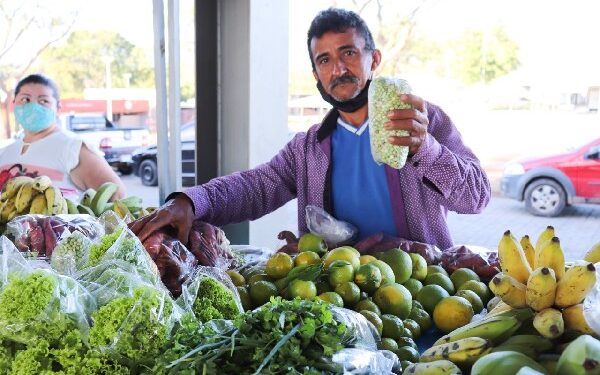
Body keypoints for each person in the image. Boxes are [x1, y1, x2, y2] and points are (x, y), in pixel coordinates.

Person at [131, 8, 491, 250]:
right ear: (316, 75)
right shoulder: (307, 149)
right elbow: (254, 187)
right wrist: (191, 201)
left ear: (374, 59)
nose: (338, 69)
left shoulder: (422, 121)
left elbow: (477, 197)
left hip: (423, 291)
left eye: (349, 53)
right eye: (325, 60)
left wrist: (426, 149)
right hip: (337, 295)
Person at [0, 74, 126, 199]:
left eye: (43, 101)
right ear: (14, 103)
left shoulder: (72, 148)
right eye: (25, 100)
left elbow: (116, 196)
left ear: (58, 107)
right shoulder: (5, 152)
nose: (33, 107)